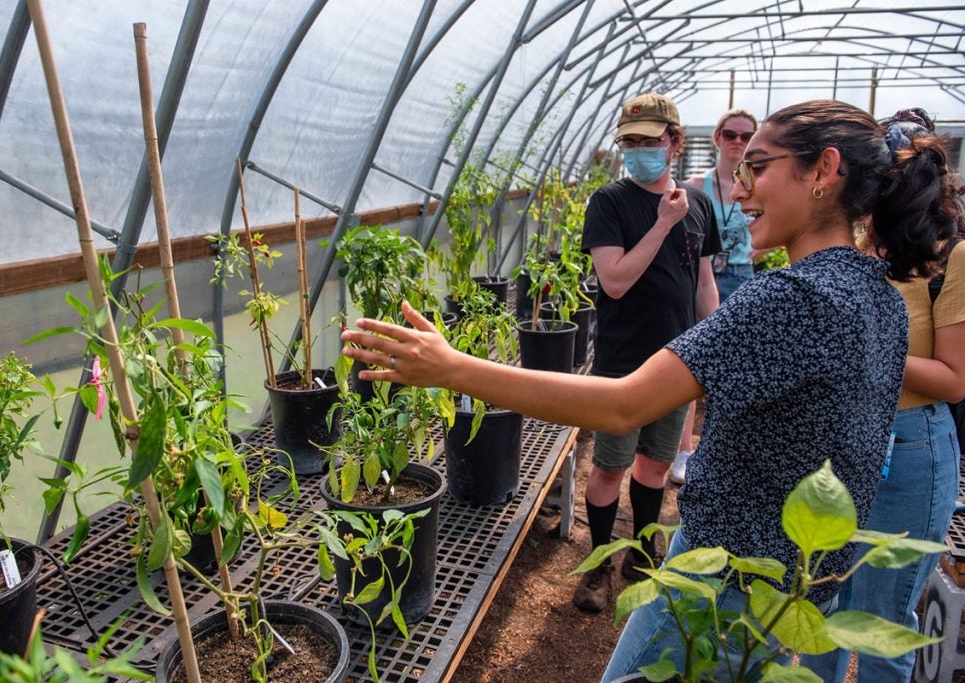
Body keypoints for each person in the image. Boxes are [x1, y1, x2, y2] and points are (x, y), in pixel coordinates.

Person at [338, 99, 957, 678]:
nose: (739, 189)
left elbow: (621, 404)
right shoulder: (877, 295)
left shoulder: (791, 296)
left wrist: (453, 368)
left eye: (759, 168)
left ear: (824, 170)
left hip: (722, 586)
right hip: (798, 591)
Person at [801, 107, 965, 682]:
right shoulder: (842, 246)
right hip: (840, 442)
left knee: (878, 629)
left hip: (911, 449)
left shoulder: (951, 257)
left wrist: (871, 347)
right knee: (818, 612)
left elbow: (953, 377)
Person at [575, 92, 720, 611]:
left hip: (679, 361)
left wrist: (713, 343)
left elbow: (704, 283)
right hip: (622, 363)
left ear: (674, 144)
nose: (638, 152)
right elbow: (612, 282)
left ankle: (639, 552)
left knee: (656, 467)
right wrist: (661, 222)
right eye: (629, 143)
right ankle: (598, 565)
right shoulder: (609, 203)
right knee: (609, 468)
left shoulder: (700, 205)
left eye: (649, 142)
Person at [671, 108, 759, 486]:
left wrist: (744, 254)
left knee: (734, 368)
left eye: (746, 135)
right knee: (694, 363)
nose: (737, 141)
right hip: (702, 276)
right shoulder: (697, 185)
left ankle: (719, 450)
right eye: (730, 134)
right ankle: (684, 450)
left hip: (740, 277)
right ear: (717, 138)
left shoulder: (759, 185)